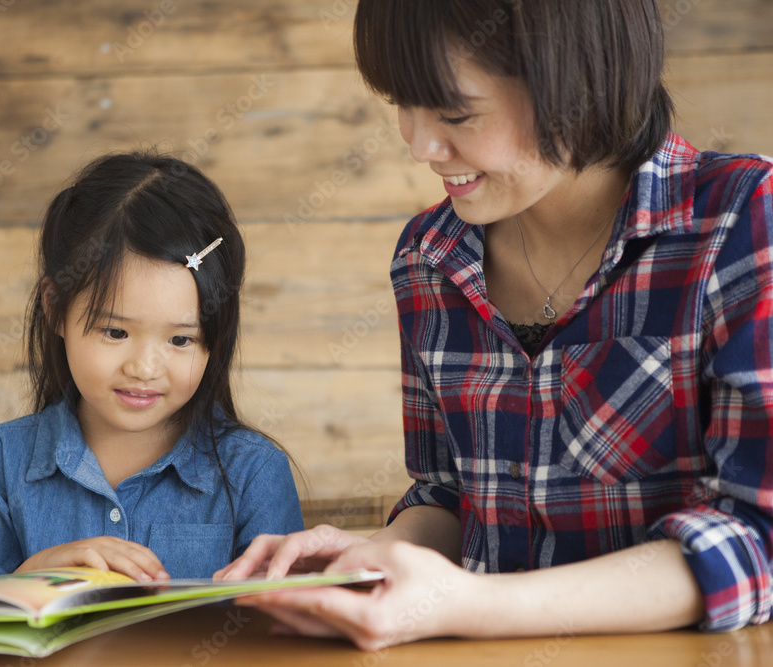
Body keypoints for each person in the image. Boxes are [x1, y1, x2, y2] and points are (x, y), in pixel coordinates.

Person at [216, 0, 773, 649]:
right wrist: (378, 554)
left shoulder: (738, 223)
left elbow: (759, 538)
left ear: (579, 83)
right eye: (401, 101)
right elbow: (453, 494)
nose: (420, 144)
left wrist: (472, 604)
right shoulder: (428, 257)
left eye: (456, 113)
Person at [0, 151, 304, 581]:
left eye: (180, 340)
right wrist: (32, 575)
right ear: (55, 308)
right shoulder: (0, 461)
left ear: (215, 339)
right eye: (115, 333)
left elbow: (282, 630)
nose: (145, 368)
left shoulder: (254, 473)